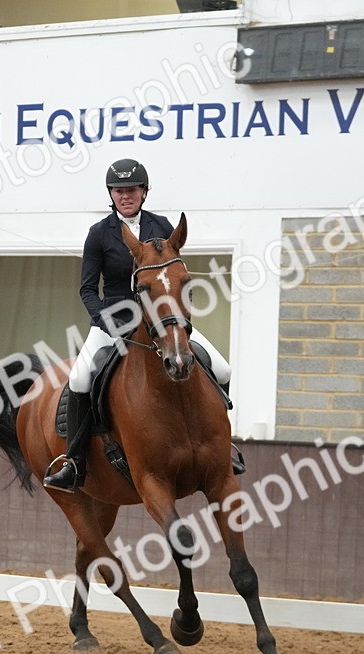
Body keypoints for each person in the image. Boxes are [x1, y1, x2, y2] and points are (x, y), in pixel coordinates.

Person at [43, 158, 239, 493]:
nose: (125, 196)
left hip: (163, 319)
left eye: (131, 189)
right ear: (111, 194)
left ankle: (223, 447)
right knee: (79, 378)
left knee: (222, 369)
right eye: (119, 191)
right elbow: (88, 289)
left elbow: (171, 275)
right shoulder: (98, 234)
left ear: (143, 192)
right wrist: (105, 321)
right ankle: (75, 462)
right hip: (113, 321)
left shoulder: (161, 226)